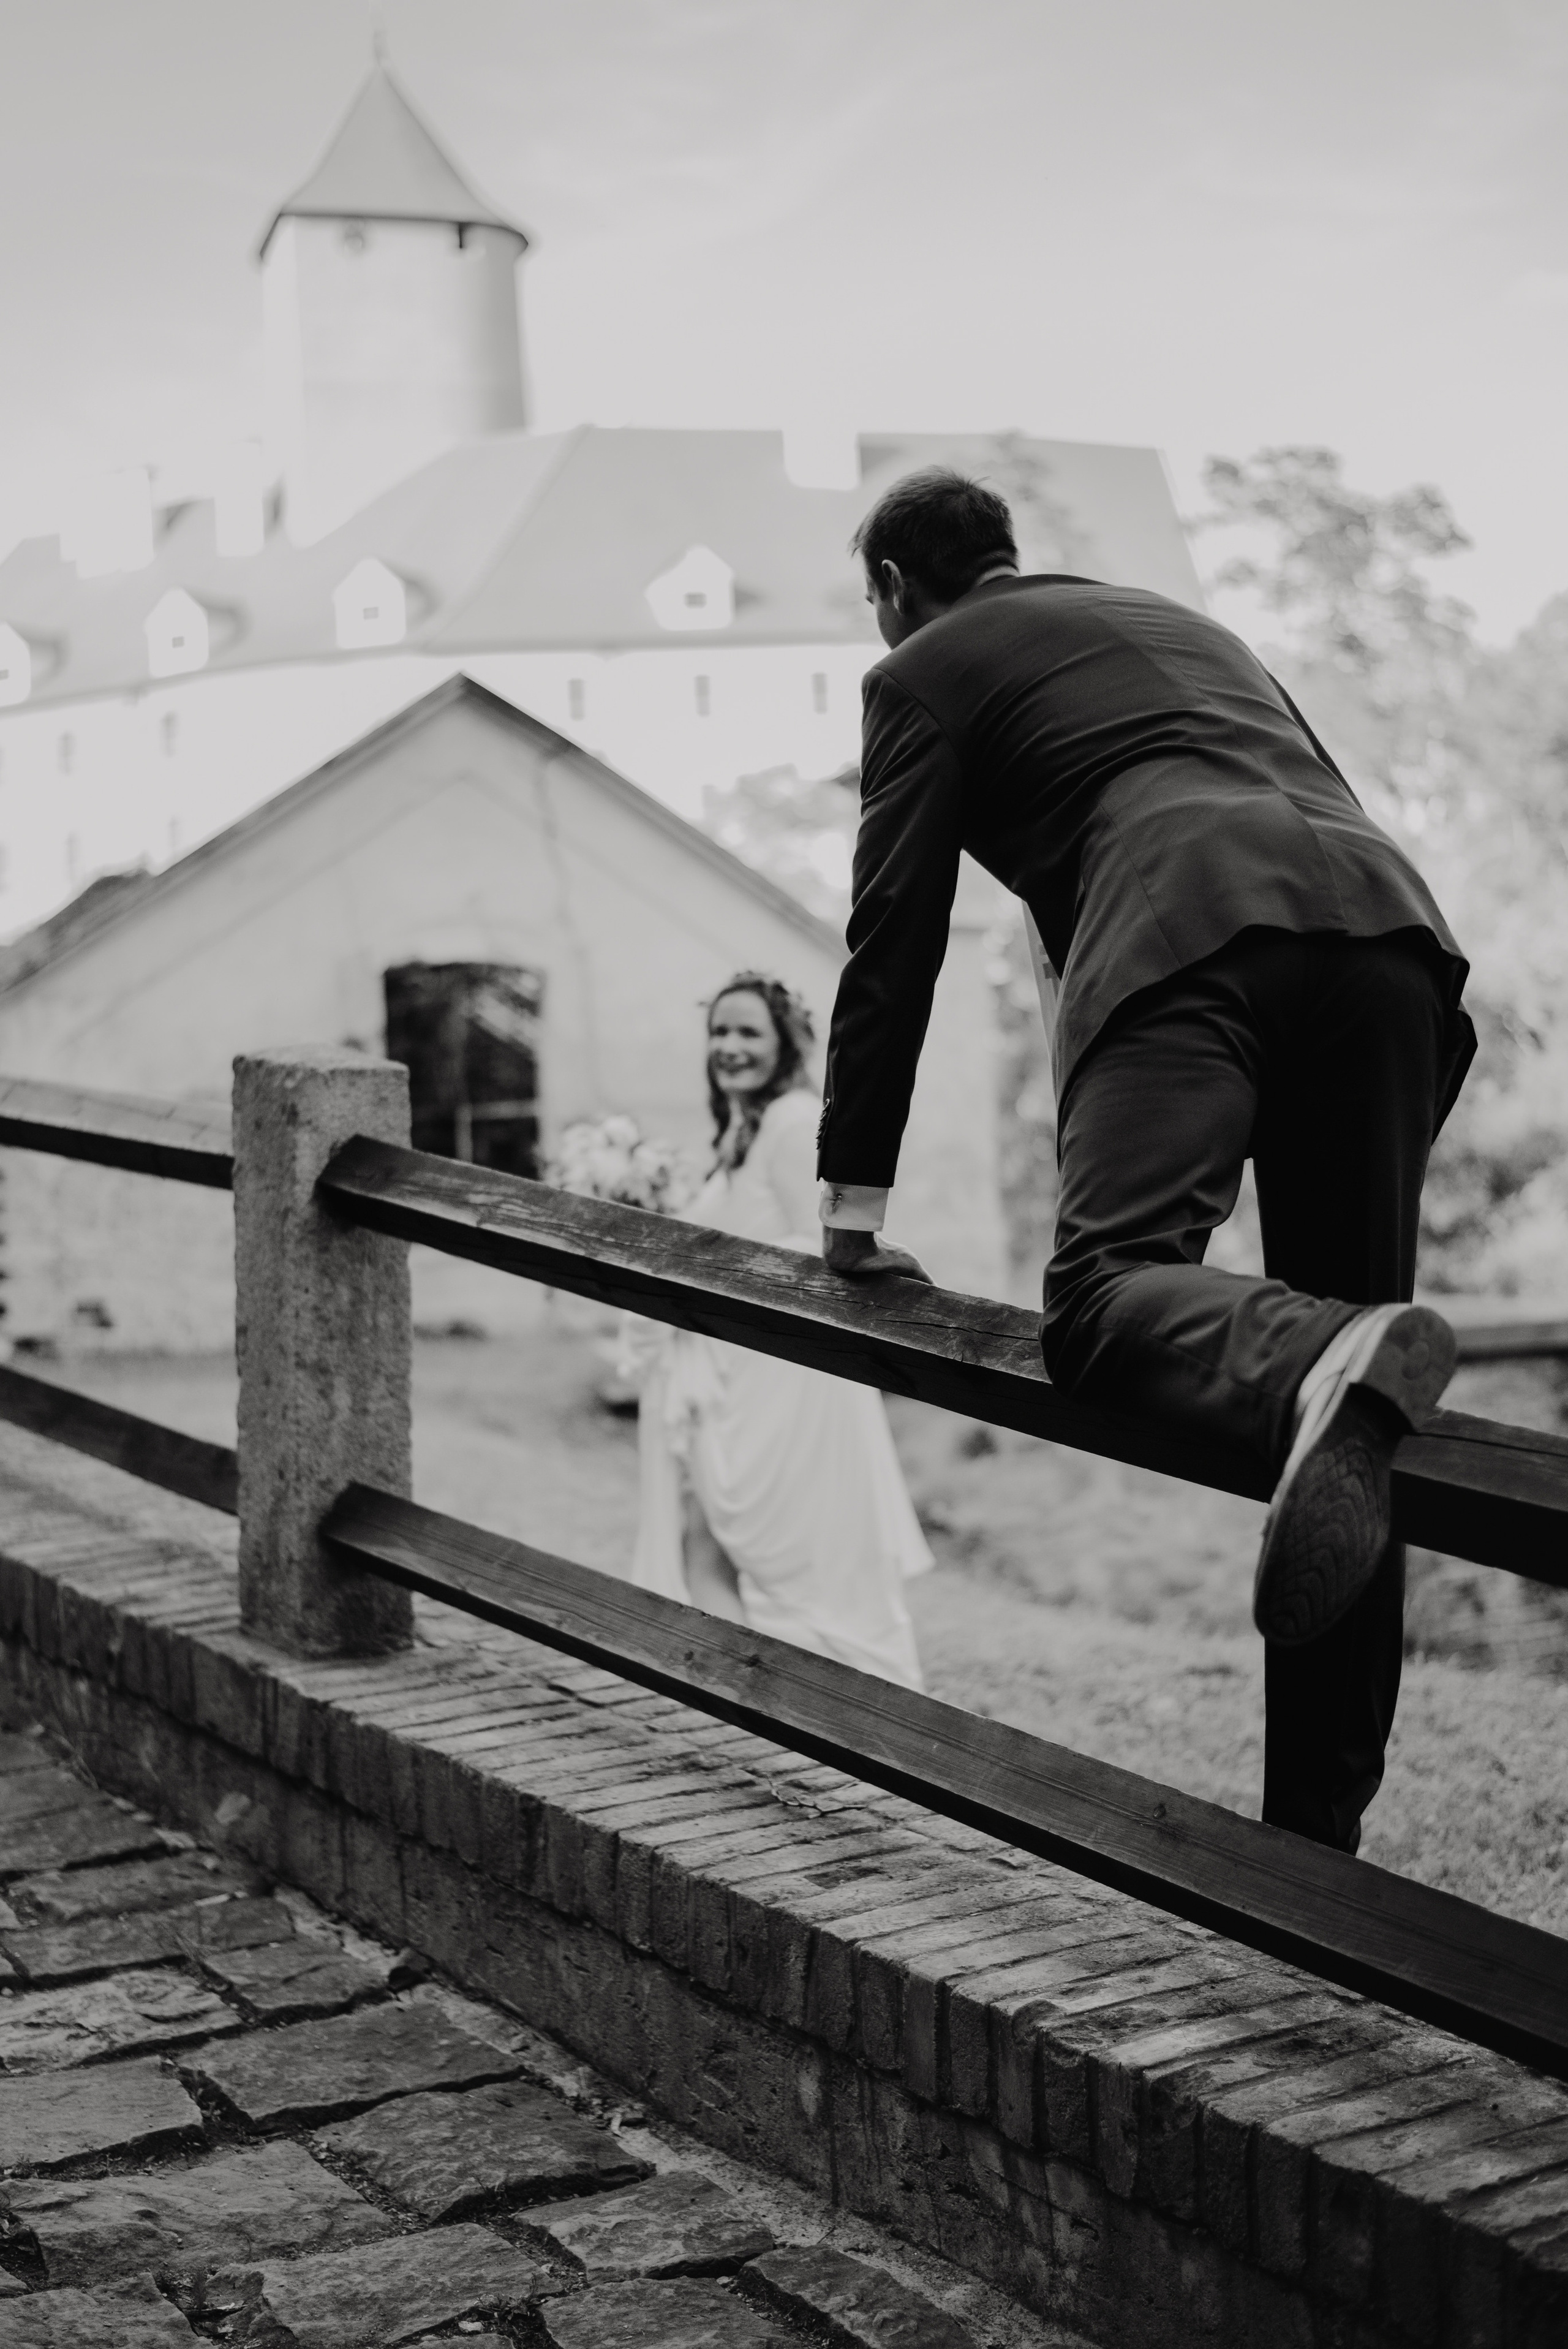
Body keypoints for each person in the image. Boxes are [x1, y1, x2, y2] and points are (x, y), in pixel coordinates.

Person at [815, 467, 1476, 1852]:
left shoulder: (921, 670)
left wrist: (851, 1203)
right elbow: (1310, 800)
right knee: (1353, 1413)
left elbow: (893, 937)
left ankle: (1315, 1358)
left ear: (889, 588)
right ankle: (1314, 1851)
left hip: (1188, 930)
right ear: (1007, 552)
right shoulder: (1182, 627)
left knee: (1106, 1298)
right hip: (1386, 946)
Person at [628, 972, 930, 1688]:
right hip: (733, 1376)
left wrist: (704, 1273)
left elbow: (813, 1248)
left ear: (784, 1044)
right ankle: (743, 1700)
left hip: (784, 1386)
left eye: (747, 1033)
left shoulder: (794, 1122)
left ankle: (833, 1697)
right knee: (703, 1544)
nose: (729, 1047)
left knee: (789, 1562)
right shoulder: (743, 1131)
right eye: (719, 1032)